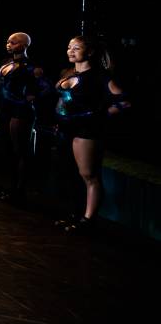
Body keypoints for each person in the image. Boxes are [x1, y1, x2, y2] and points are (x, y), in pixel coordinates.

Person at [53, 35, 130, 233]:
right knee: (70, 174)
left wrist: (97, 116)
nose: (70, 51)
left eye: (76, 47)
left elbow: (123, 102)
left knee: (89, 176)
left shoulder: (100, 76)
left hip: (86, 132)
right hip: (65, 130)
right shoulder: (67, 72)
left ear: (90, 52)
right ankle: (75, 214)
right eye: (69, 46)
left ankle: (88, 221)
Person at [0, 32, 47, 201]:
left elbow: (46, 88)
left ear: (24, 45)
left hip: (21, 111)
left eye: (14, 42)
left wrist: (30, 97)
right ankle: (11, 186)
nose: (8, 44)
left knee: (20, 151)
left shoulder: (32, 66)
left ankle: (20, 190)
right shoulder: (6, 62)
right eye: (8, 41)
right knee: (8, 149)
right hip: (6, 109)